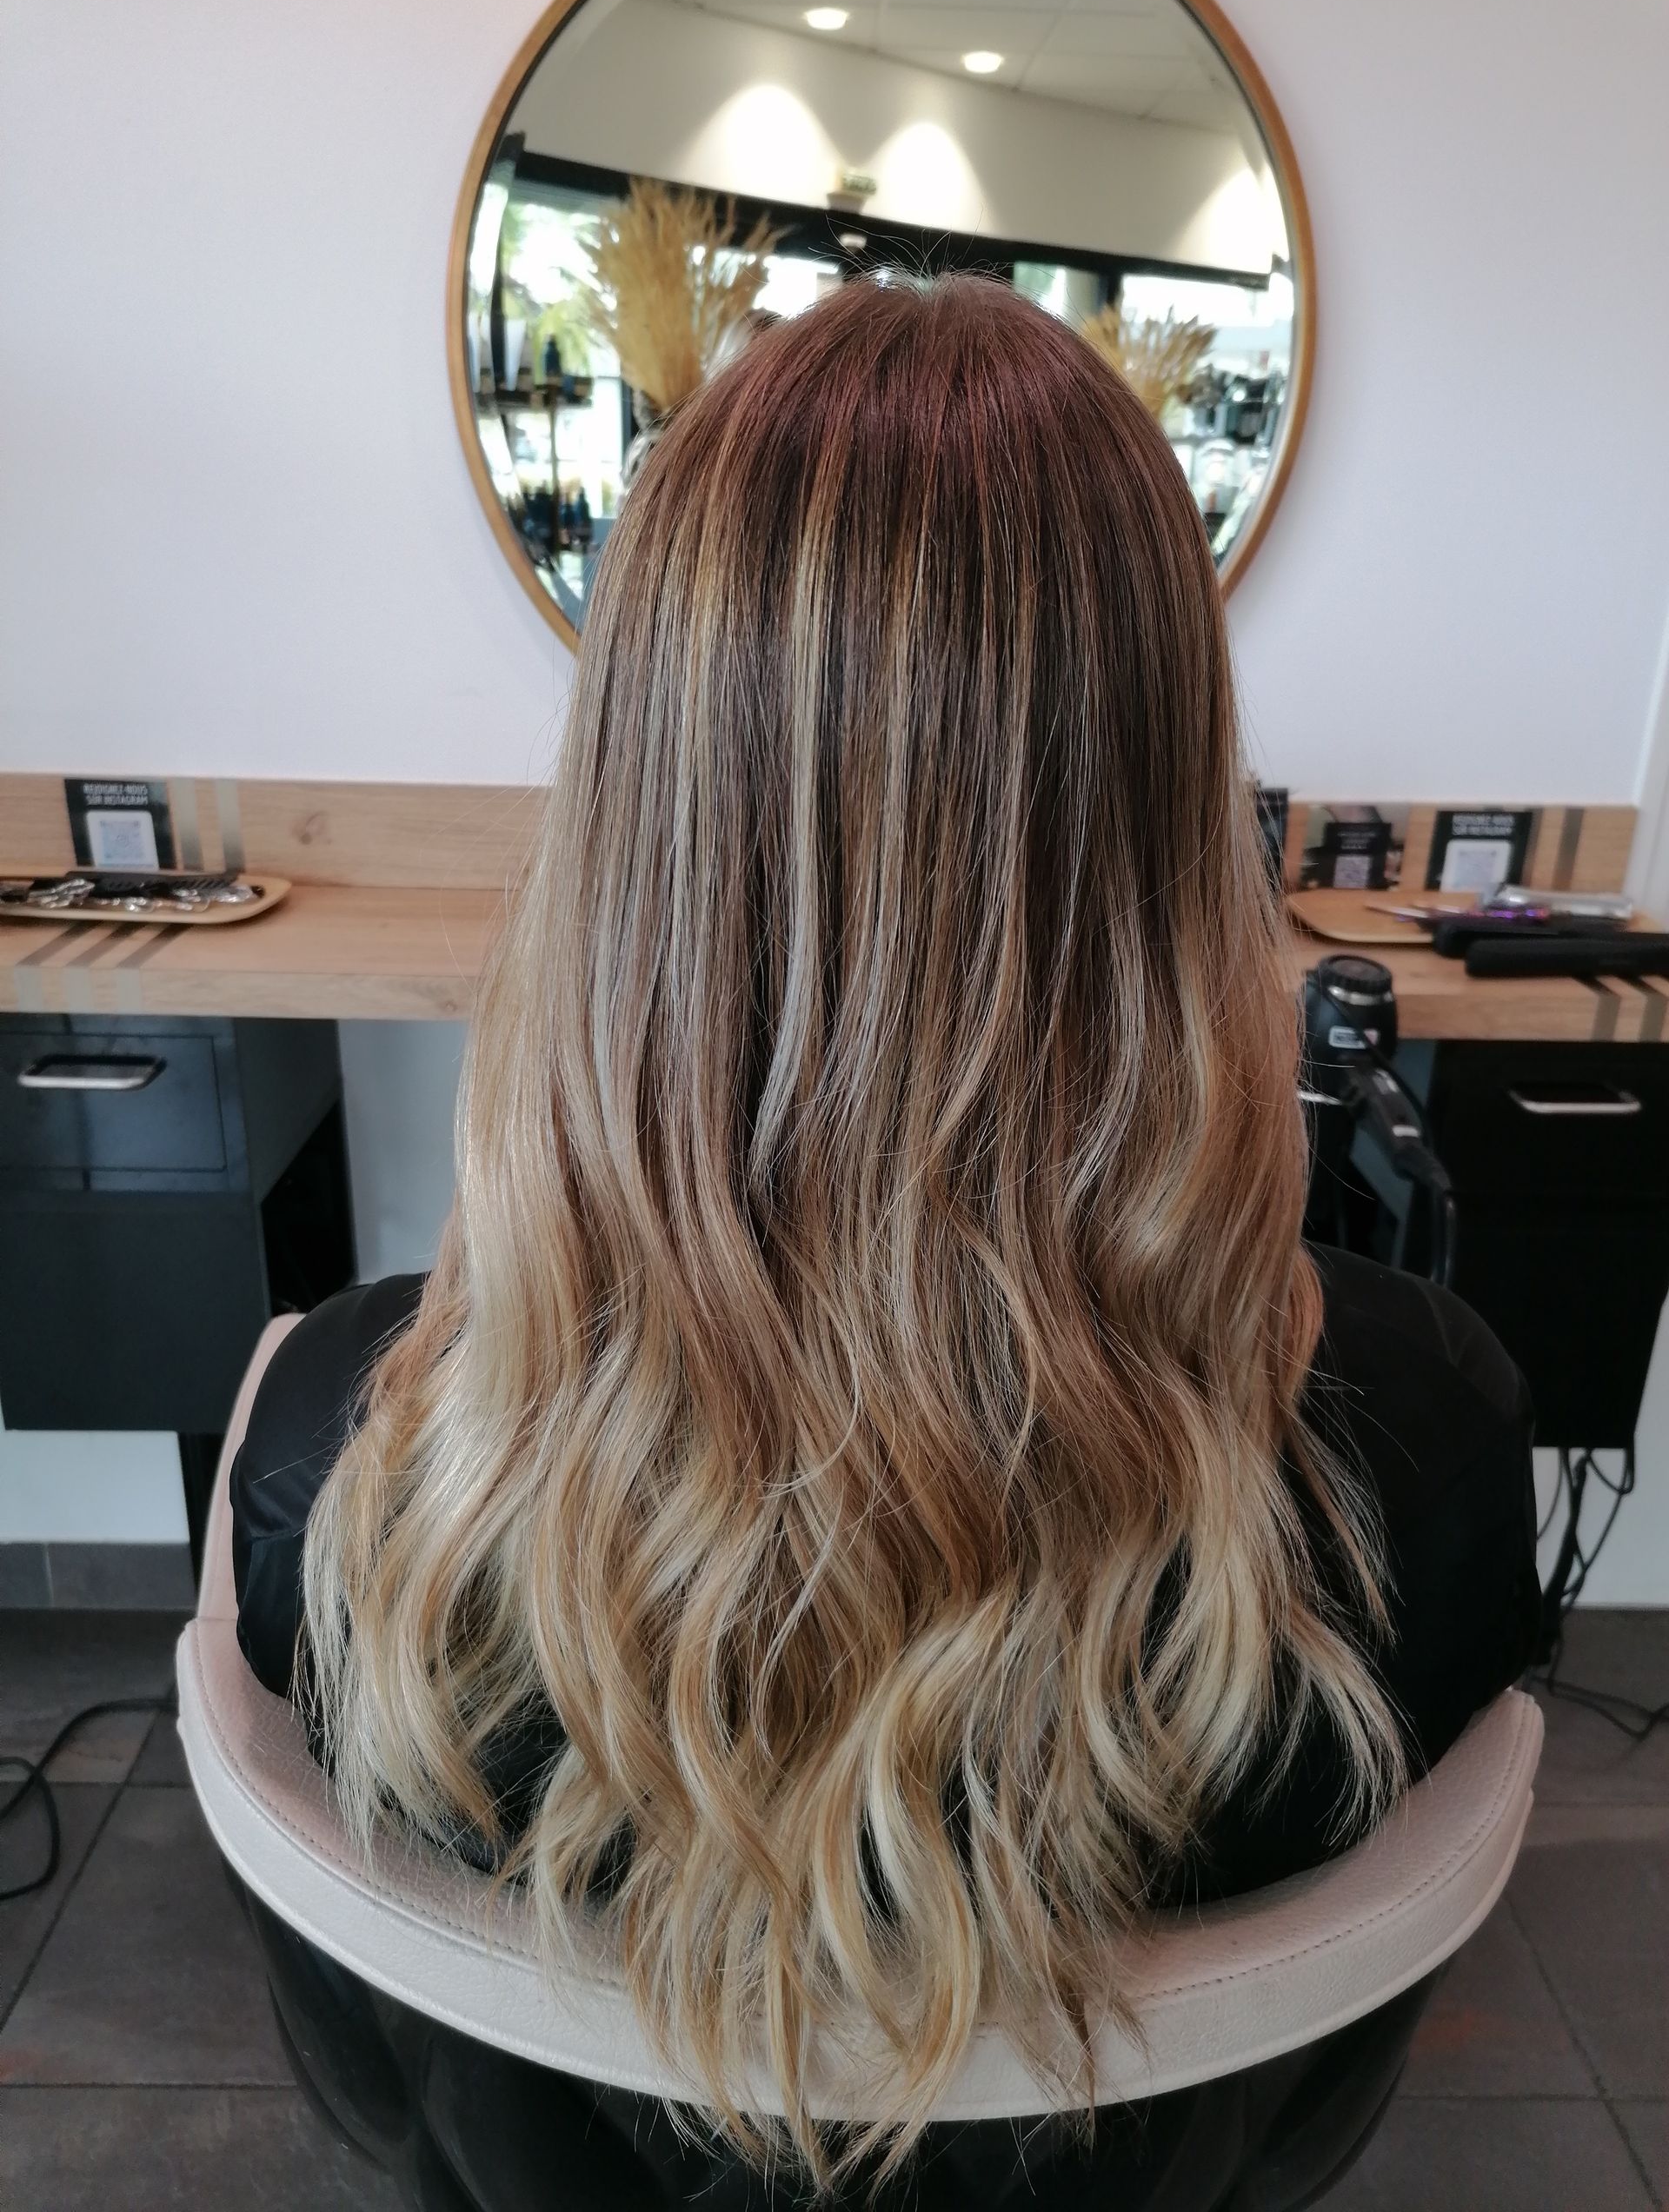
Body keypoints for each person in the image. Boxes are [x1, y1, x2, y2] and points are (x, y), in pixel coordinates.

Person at [232, 274, 1537, 2192]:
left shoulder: (338, 1457)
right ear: (1174, 828)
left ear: (634, 830)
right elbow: (1321, 2092)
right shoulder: (1416, 1451)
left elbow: (372, 2078)